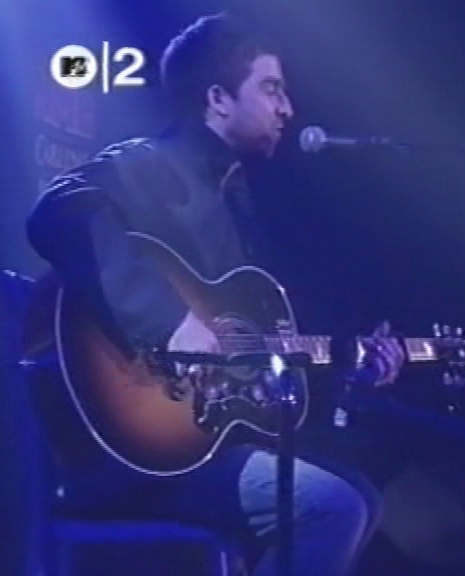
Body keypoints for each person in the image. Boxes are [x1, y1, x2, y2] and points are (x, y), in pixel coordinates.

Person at [26, 11, 405, 576]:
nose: (287, 108)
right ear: (218, 99)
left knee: (361, 496)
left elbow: (248, 360)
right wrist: (168, 323)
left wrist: (348, 368)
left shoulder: (238, 200)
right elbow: (58, 213)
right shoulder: (151, 165)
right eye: (271, 88)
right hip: (119, 453)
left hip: (196, 443)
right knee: (332, 507)